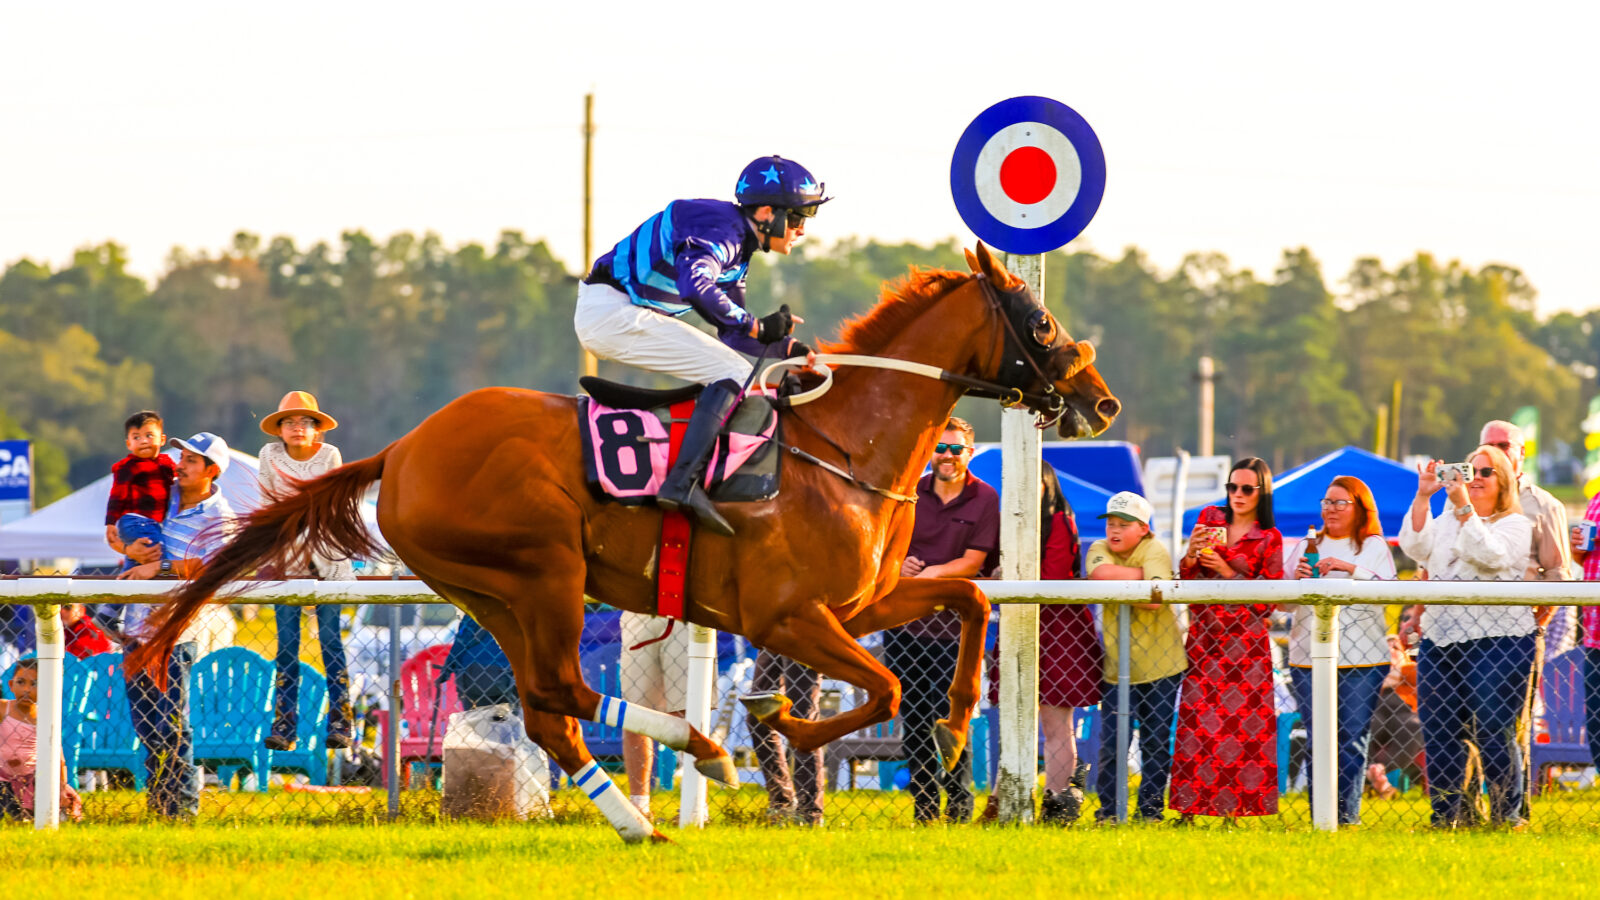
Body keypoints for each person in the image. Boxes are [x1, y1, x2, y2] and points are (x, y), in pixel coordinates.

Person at [573, 155, 827, 536]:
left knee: (736, 369)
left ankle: (688, 476)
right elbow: (697, 287)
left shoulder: (737, 246)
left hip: (618, 312)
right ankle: (682, 484)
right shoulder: (721, 228)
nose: (802, 230)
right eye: (796, 218)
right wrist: (758, 326)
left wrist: (787, 349)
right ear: (765, 212)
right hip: (612, 312)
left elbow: (732, 332)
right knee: (734, 374)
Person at [1399, 446, 1534, 828]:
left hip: (1500, 639)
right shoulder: (1444, 519)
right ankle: (1448, 816)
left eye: (1485, 472)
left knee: (1493, 727)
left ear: (1504, 482)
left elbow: (1489, 556)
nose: (1474, 478)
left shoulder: (1516, 525)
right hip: (1441, 638)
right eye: (1467, 470)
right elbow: (1415, 548)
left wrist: (1461, 506)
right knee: (1439, 729)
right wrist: (1424, 495)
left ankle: (1508, 815)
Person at [111, 431, 238, 819]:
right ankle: (158, 806)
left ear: (211, 471)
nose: (180, 464)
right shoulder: (161, 496)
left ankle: (182, 809)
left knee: (173, 725)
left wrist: (157, 568)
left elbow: (210, 568)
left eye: (191, 460)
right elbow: (119, 534)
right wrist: (128, 550)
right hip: (135, 628)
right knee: (147, 726)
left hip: (176, 633)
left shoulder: (222, 517)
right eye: (181, 456)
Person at [885, 417, 998, 824]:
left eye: (955, 449)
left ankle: (960, 805)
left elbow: (974, 561)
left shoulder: (985, 498)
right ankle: (925, 809)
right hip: (905, 624)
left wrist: (930, 574)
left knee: (953, 718)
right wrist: (898, 563)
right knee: (913, 719)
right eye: (940, 447)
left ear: (970, 452)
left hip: (956, 631)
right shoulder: (906, 491)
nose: (946, 456)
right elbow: (881, 542)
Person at [1171, 457, 1284, 823]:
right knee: (1194, 726)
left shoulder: (1270, 537)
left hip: (1246, 647)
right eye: (1232, 487)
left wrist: (1228, 571)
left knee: (1242, 731)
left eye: (1246, 489)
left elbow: (1269, 599)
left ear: (1261, 492)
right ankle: (1187, 812)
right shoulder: (1209, 518)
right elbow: (1186, 579)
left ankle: (1230, 813)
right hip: (1204, 638)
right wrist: (1190, 555)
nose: (1237, 495)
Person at [1282, 476, 1397, 825]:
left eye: (1340, 503)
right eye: (1327, 502)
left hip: (1362, 659)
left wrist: (1349, 570)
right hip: (1308, 656)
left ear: (1359, 508)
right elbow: (1282, 604)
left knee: (1350, 738)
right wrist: (1296, 581)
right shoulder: (1306, 544)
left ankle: (1346, 816)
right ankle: (1321, 815)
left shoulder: (1374, 547)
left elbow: (1390, 592)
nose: (1331, 509)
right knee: (1319, 737)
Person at [257, 391, 354, 752]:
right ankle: (284, 724)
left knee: (330, 641)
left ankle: (342, 721)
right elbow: (269, 506)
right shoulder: (269, 456)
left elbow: (330, 507)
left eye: (306, 422)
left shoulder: (329, 456)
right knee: (287, 646)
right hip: (287, 559)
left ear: (317, 430)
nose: (298, 428)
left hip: (327, 555)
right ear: (279, 429)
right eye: (290, 422)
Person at [1085, 491, 1181, 825]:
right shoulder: (1099, 549)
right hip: (1116, 667)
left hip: (1162, 666)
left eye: (1124, 525)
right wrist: (1146, 577)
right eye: (1111, 523)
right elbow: (1099, 578)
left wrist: (1128, 581)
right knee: (1113, 744)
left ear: (1143, 528)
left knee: (1155, 744)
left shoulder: (1154, 548)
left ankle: (1150, 812)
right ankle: (1109, 812)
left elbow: (1154, 601)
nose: (1114, 530)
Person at [1033, 466, 1100, 824]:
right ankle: (1009, 800)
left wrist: (1008, 574)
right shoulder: (1011, 522)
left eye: (1035, 481)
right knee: (1018, 718)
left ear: (1048, 485)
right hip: (1024, 622)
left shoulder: (1060, 520)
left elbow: (1054, 575)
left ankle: (1057, 804)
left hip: (1060, 628)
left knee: (1057, 722)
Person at [618, 612, 691, 821]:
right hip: (638, 609)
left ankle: (694, 806)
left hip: (689, 613)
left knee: (687, 713)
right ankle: (639, 809)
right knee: (634, 717)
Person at [0, 660, 85, 822]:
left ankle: (32, 814)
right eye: (20, 682)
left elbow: (58, 756)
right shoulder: (4, 709)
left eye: (35, 684)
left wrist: (62, 785)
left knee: (31, 815)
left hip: (31, 779)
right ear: (11, 685)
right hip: (2, 776)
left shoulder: (44, 716)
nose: (26, 689)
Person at [746, 650, 823, 825]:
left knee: (802, 718)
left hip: (803, 633)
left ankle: (810, 812)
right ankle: (781, 802)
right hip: (771, 633)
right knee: (758, 716)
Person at [104, 410, 176, 569]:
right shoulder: (128, 467)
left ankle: (127, 582)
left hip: (153, 523)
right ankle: (162, 587)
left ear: (162, 439)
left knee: (139, 557)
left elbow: (177, 482)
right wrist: (110, 523)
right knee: (157, 554)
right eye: (136, 437)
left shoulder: (166, 463)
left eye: (149, 435)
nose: (143, 441)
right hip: (136, 521)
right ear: (129, 444)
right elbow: (117, 495)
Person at [441, 612, 517, 710]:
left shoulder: (474, 610)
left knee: (477, 719)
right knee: (508, 719)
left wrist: (447, 668)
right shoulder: (519, 608)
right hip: (510, 675)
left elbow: (461, 641)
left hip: (472, 676)